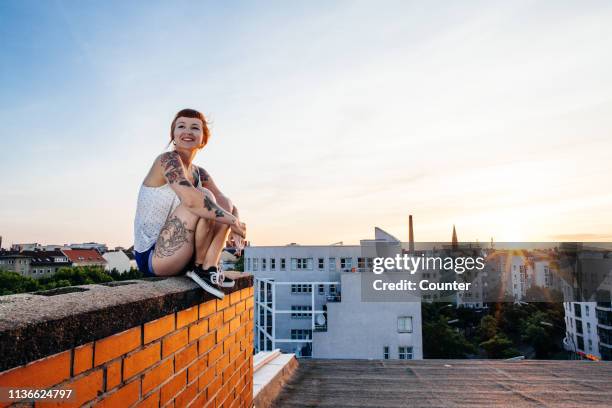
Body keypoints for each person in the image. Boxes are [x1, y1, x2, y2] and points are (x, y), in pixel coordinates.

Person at [133, 108, 246, 298]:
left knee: (223, 202)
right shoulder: (167, 160)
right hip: (154, 257)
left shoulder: (199, 172)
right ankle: (200, 268)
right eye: (181, 126)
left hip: (184, 253)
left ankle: (209, 268)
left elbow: (225, 203)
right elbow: (192, 201)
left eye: (195, 127)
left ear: (203, 139)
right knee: (203, 197)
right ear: (173, 135)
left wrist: (236, 220)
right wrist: (233, 223)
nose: (188, 131)